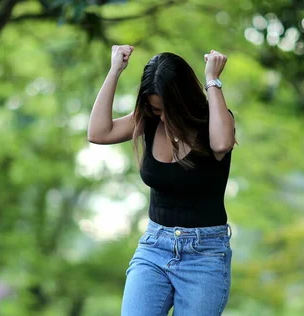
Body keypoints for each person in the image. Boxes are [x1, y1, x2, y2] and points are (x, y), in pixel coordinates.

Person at [87, 44, 236, 316]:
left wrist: (212, 80)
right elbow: (98, 133)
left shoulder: (214, 121)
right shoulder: (150, 120)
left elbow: (222, 144)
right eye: (156, 110)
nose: (164, 117)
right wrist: (115, 70)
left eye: (170, 109)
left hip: (205, 256)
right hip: (155, 247)